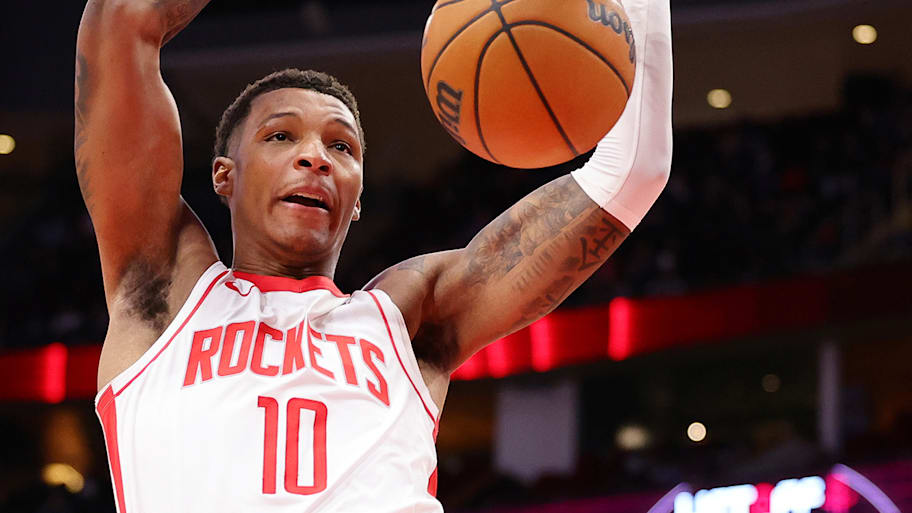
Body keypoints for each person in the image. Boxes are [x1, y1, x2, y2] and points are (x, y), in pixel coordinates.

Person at [74, 0, 672, 511]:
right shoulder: (162, 295)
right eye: (281, 136)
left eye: (342, 145)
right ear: (224, 176)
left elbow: (631, 175)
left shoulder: (408, 318)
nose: (316, 157)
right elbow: (123, 19)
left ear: (357, 199)